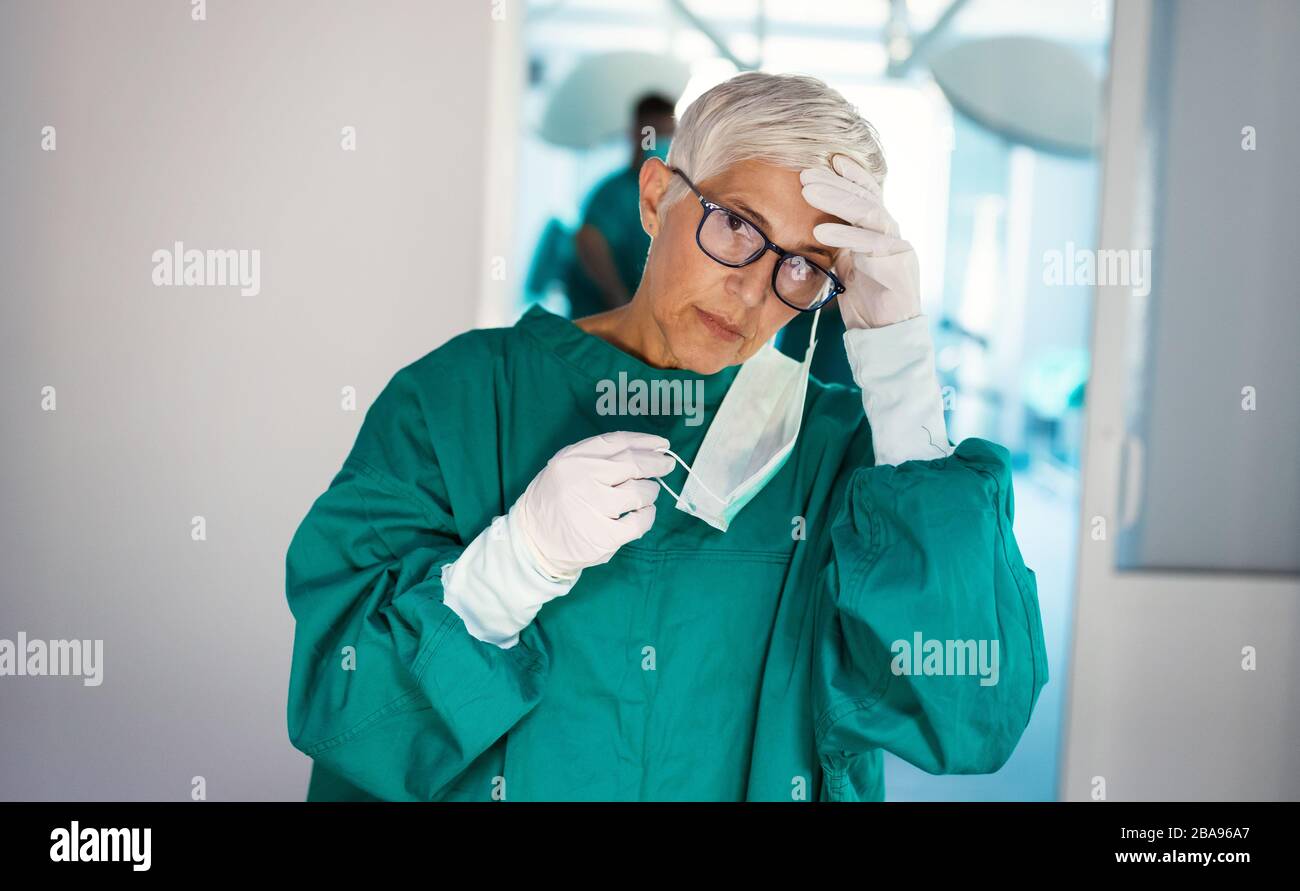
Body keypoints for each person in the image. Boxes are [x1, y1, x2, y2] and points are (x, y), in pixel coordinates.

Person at [285, 72, 1048, 801]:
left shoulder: (846, 461)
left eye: (803, 266)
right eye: (738, 226)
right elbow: (345, 711)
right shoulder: (457, 401)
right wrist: (511, 567)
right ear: (656, 198)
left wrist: (907, 392)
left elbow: (968, 712)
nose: (754, 288)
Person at [564, 94, 677, 318]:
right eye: (654, 135)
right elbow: (588, 240)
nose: (662, 144)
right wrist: (620, 299)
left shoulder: (673, 194)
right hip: (601, 322)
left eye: (668, 135)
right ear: (635, 134)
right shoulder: (612, 193)